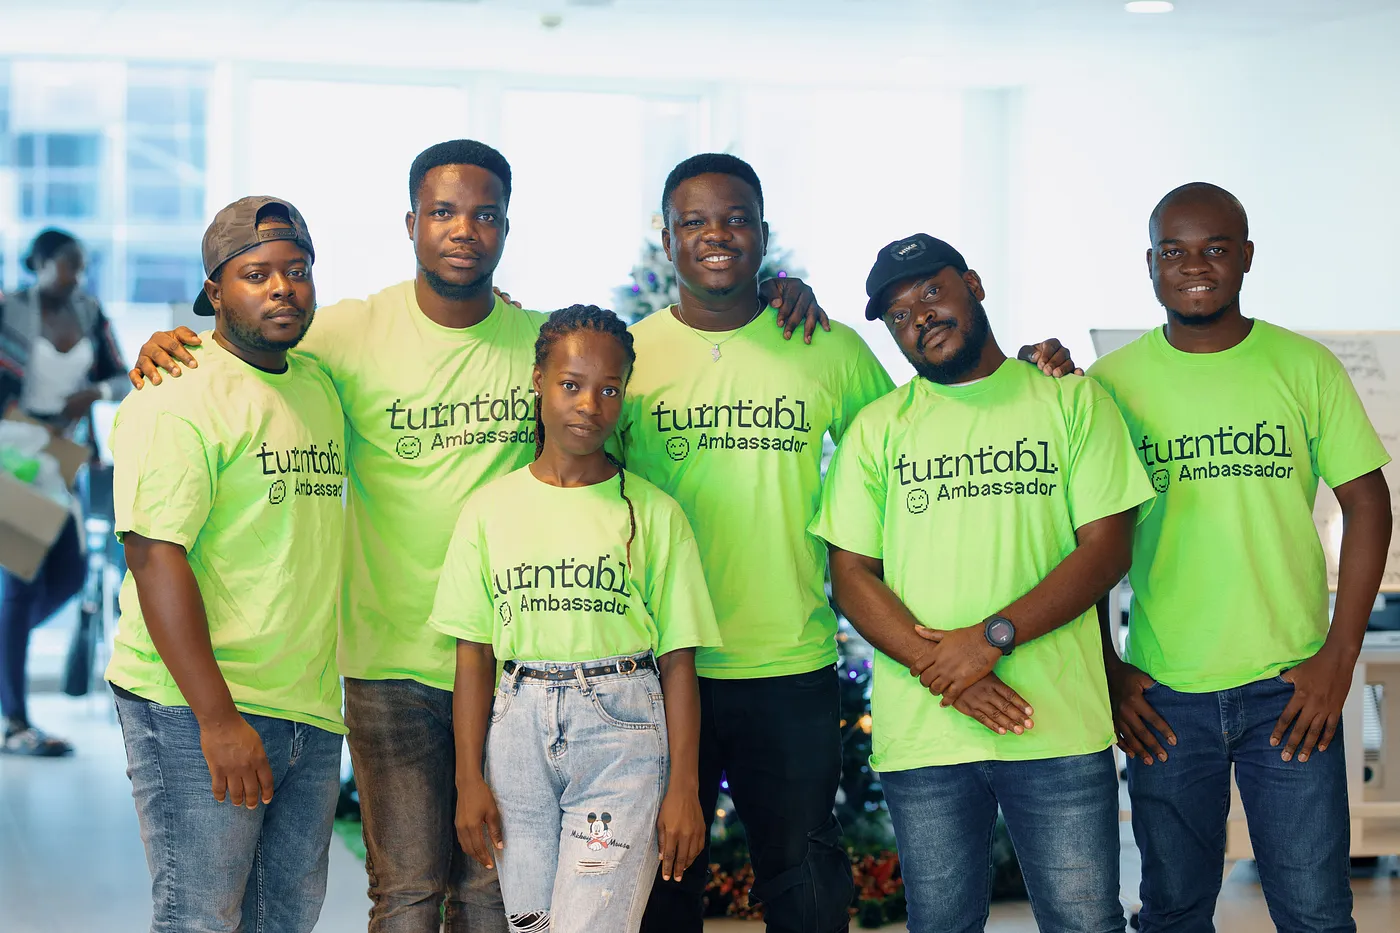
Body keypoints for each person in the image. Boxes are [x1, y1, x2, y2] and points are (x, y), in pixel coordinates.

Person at [127, 140, 827, 933]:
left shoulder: (537, 345)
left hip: (513, 669)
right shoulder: (347, 335)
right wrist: (162, 349)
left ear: (504, 226)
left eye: (485, 214)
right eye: (444, 212)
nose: (464, 229)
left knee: (499, 896)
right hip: (387, 665)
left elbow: (618, 381)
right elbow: (248, 347)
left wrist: (777, 299)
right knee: (407, 892)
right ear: (412, 223)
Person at [627, 156, 1084, 933]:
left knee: (806, 884)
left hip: (792, 664)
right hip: (659, 665)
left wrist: (1032, 370)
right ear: (666, 241)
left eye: (736, 217)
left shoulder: (826, 346)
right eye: (694, 222)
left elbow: (924, 422)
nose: (716, 235)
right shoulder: (630, 359)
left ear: (763, 233)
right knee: (661, 887)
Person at [810, 233, 1155, 933]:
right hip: (927, 732)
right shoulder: (878, 431)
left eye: (932, 292)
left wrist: (991, 639)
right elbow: (849, 576)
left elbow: (1107, 549)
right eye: (900, 313)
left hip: (1057, 724)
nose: (920, 316)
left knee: (1086, 921)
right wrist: (953, 670)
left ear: (973, 284)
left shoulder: (1070, 402)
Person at [1088, 183, 1393, 933]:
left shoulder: (1302, 365)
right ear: (1150, 263)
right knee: (1172, 912)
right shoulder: (1111, 385)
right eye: (1174, 251)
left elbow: (1369, 503)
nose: (1195, 266)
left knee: (1317, 913)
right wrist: (1110, 668)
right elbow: (1081, 543)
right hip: (1164, 693)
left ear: (1247, 257)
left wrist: (1337, 656)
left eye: (1216, 249)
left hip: (1289, 692)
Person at [432, 305, 722, 933]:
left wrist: (684, 788)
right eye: (571, 384)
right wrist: (467, 779)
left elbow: (678, 663)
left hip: (622, 733)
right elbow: (473, 655)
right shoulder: (488, 512)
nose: (590, 403)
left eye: (609, 389)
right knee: (531, 927)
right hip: (516, 736)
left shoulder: (655, 514)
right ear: (538, 379)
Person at [106, 197, 347, 933]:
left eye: (297, 271)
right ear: (215, 292)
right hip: (194, 705)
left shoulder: (318, 383)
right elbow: (154, 554)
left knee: (283, 918)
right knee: (200, 917)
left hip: (304, 701)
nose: (281, 288)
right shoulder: (176, 392)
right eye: (256, 274)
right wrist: (217, 718)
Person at [0, 228, 129, 756]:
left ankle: (8, 655)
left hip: (65, 454)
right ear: (40, 263)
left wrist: (91, 394)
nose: (76, 276)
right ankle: (16, 723)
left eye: (81, 267)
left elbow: (121, 378)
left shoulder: (90, 312)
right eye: (68, 266)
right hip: (14, 447)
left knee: (71, 573)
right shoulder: (11, 309)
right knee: (22, 578)